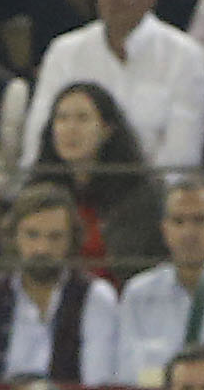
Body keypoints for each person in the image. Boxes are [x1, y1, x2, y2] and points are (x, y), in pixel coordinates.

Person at [24, 0, 204, 177]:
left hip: (152, 203)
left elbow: (182, 159)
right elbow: (36, 145)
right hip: (70, 198)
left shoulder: (184, 56)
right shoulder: (64, 52)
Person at [0, 181, 121, 383]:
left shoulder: (95, 297)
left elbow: (97, 385)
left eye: (55, 237)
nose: (42, 248)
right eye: (32, 235)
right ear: (14, 236)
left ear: (71, 240)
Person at [25, 78, 165, 276]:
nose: (70, 129)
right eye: (62, 118)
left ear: (107, 129)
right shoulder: (36, 190)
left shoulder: (140, 193)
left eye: (82, 118)